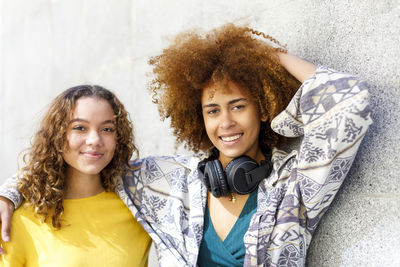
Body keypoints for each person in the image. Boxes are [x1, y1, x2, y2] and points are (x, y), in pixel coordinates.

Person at [0, 24, 372, 266]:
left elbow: (349, 101)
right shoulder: (169, 182)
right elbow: (87, 156)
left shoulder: (296, 188)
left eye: (238, 105)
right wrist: (9, 194)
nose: (225, 122)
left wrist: (267, 60)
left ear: (263, 108)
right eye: (212, 110)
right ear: (198, 118)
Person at [0, 85, 151, 266]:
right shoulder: (20, 219)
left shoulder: (140, 209)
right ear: (57, 135)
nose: (95, 140)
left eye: (107, 129)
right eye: (80, 128)